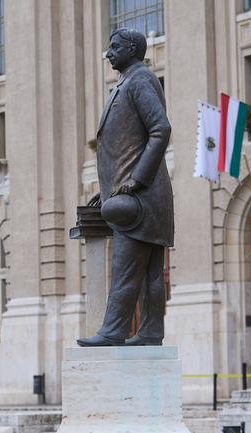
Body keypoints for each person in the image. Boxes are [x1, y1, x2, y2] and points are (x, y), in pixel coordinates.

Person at [77, 27, 173, 347]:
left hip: (142, 197)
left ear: (132, 49)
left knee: (125, 267)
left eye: (114, 47)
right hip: (143, 194)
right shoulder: (129, 81)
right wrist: (107, 191)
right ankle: (149, 331)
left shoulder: (139, 79)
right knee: (150, 272)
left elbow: (160, 129)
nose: (108, 53)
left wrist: (136, 181)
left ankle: (114, 330)